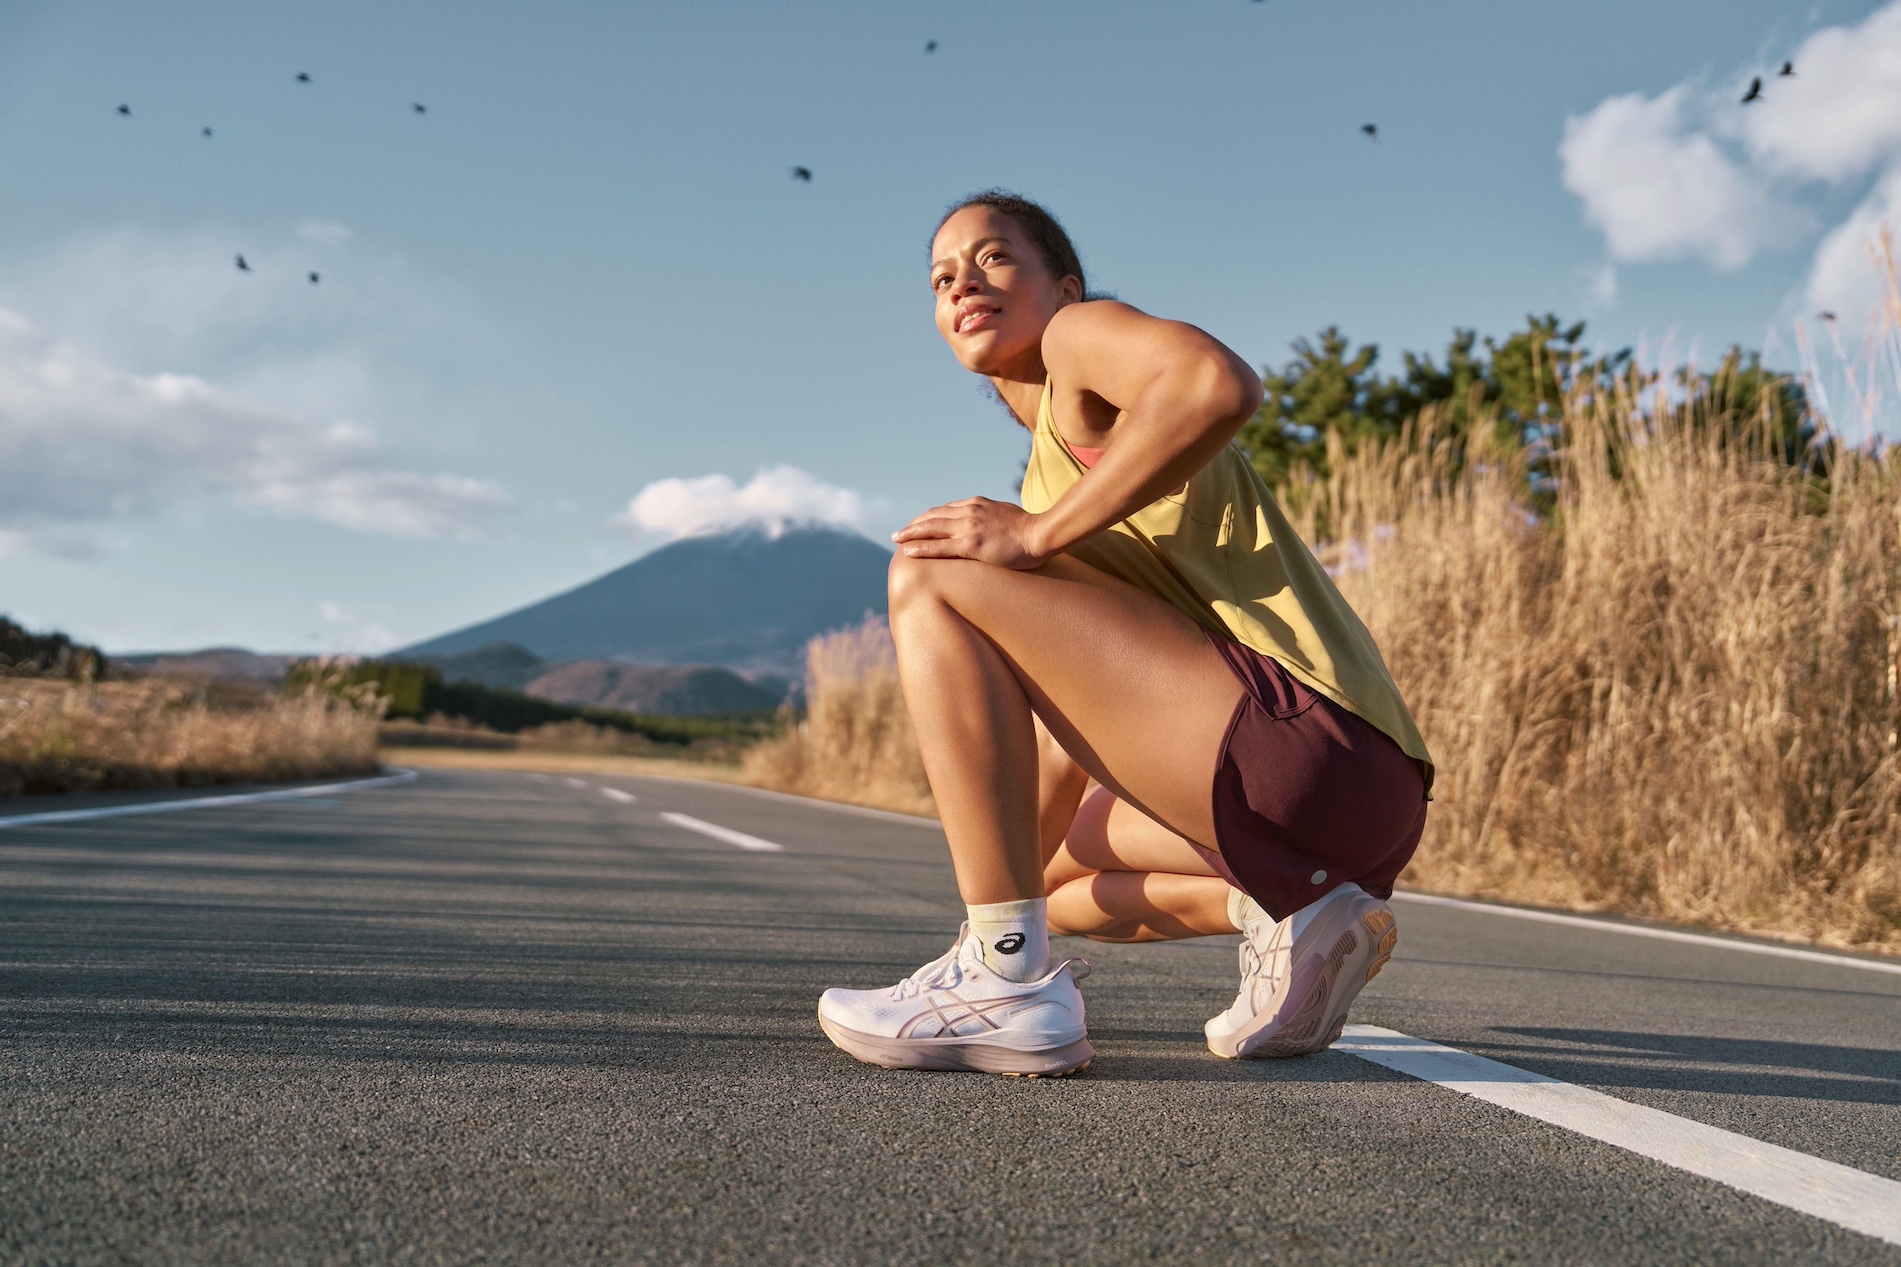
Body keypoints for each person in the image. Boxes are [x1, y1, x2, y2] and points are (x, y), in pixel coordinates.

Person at [817, 191, 1432, 1077]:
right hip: (1358, 798)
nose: (962, 282)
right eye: (941, 276)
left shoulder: (1078, 342)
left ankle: (999, 986)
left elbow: (1215, 383)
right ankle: (1289, 915)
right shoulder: (1052, 486)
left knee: (934, 565)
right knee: (1055, 890)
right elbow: (1072, 734)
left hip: (1294, 744)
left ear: (1062, 286)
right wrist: (996, 905)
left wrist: (1033, 537)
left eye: (994, 258)